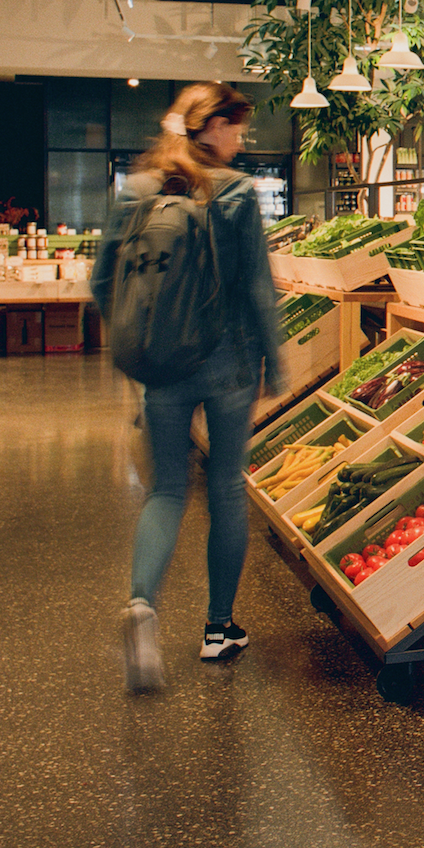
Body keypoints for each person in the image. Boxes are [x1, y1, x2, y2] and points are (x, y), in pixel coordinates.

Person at [92, 82, 285, 692]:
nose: (241, 139)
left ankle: (141, 604)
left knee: (167, 489)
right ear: (212, 128)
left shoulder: (139, 189)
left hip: (163, 366)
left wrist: (141, 343)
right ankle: (219, 628)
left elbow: (103, 280)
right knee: (227, 489)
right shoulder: (235, 193)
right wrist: (274, 362)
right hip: (227, 366)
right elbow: (257, 288)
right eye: (236, 128)